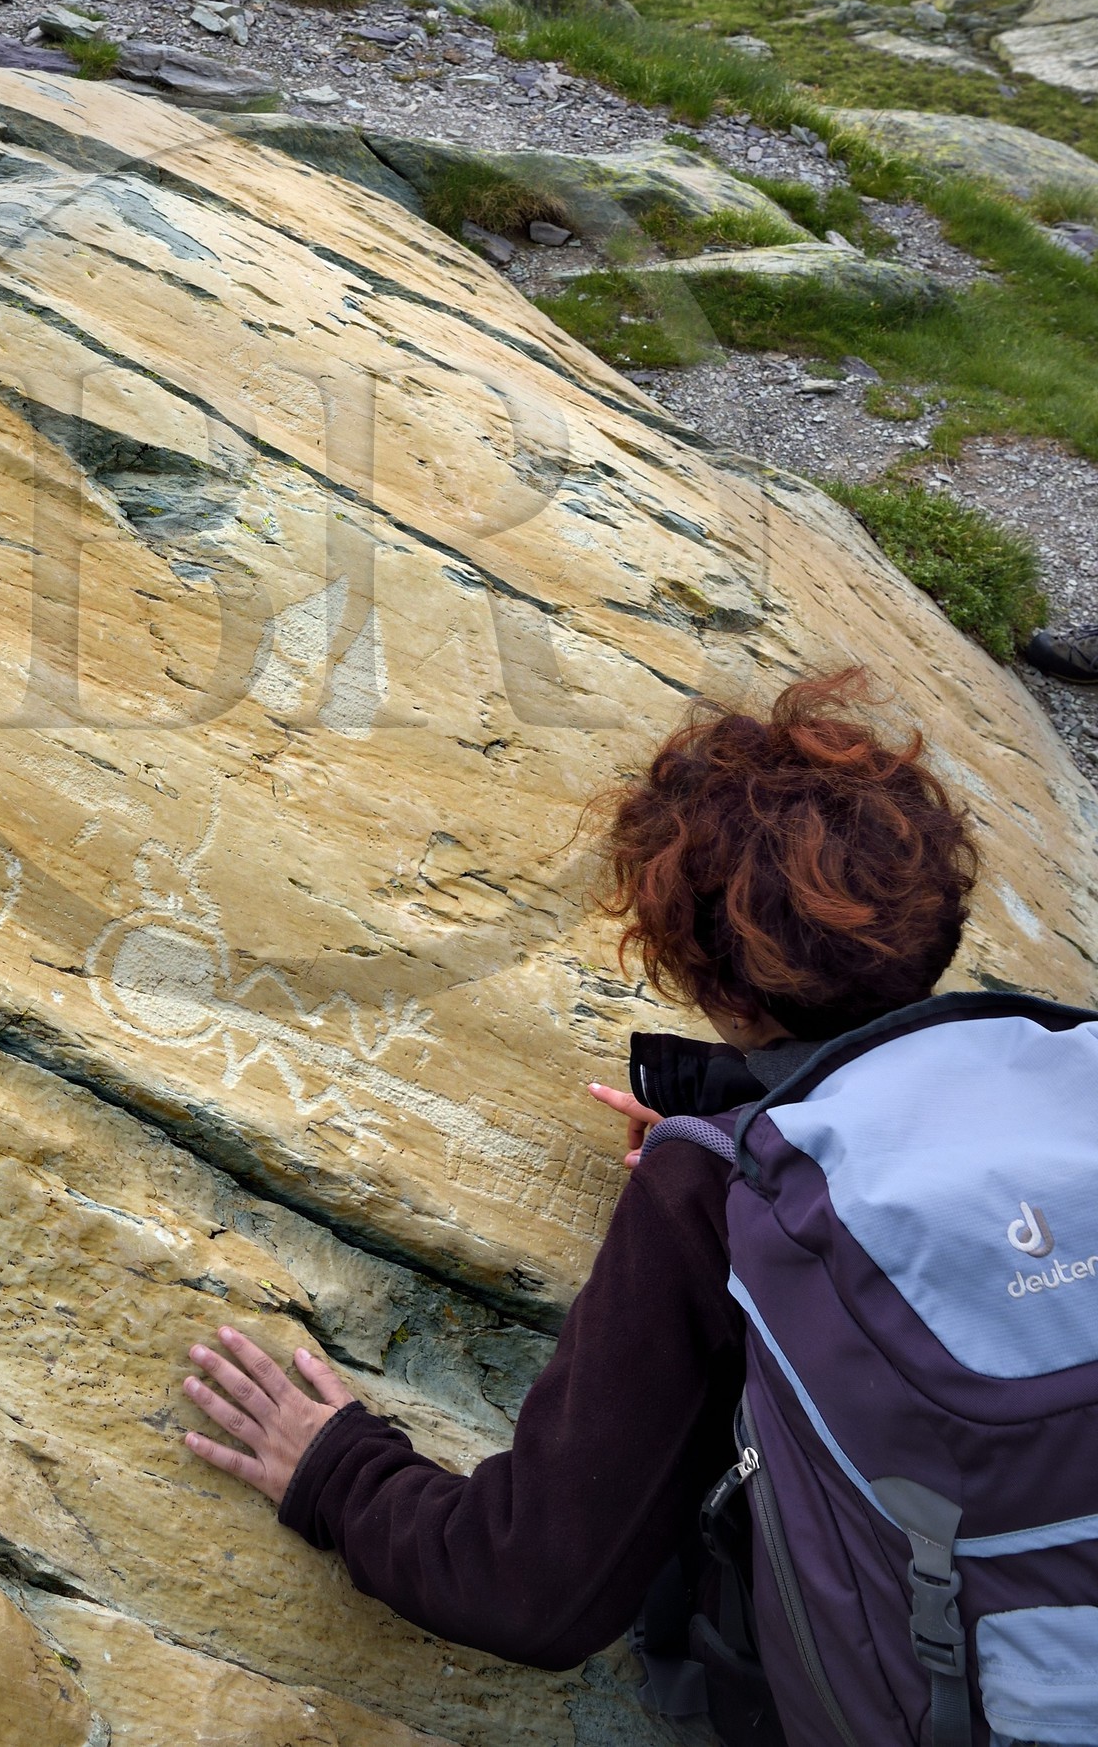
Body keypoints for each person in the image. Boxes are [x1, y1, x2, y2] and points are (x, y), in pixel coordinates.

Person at [178, 670, 977, 1722]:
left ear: (706, 978)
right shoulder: (1068, 1068)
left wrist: (333, 1474)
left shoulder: (714, 1193)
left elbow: (532, 1590)